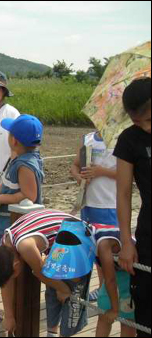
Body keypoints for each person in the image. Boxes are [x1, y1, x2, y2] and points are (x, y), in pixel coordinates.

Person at [0, 209, 75, 334]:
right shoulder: (4, 245)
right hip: (54, 228)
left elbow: (42, 274)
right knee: (54, 286)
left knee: (67, 291)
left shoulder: (25, 247)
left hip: (76, 233)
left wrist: (64, 290)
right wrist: (9, 316)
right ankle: (53, 331)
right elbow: (6, 283)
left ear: (16, 265)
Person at [0, 115, 45, 277]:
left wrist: (0, 199)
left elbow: (29, 195)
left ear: (14, 141)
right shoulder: (19, 158)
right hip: (4, 223)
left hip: (11, 226)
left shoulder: (25, 165)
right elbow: (4, 184)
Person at [114, 77, 151, 337]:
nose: (145, 128)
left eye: (149, 120)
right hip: (149, 232)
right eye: (138, 122)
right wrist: (127, 241)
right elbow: (124, 193)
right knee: (147, 307)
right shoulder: (129, 139)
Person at [70, 130, 117, 302]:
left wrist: (101, 172)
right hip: (88, 204)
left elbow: (128, 175)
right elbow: (75, 165)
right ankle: (102, 286)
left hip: (111, 204)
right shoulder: (88, 139)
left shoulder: (121, 140)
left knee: (110, 249)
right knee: (94, 247)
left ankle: (111, 289)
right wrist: (79, 177)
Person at [92, 223, 136, 337]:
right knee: (104, 311)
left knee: (127, 318)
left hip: (132, 271)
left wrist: (115, 310)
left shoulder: (102, 243)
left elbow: (110, 280)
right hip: (116, 269)